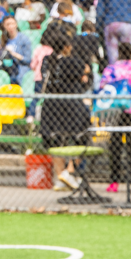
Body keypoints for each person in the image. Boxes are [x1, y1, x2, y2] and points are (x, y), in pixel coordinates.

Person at [39, 29, 91, 189]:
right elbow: (86, 70)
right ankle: (69, 170)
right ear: (66, 47)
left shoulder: (48, 61)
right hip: (70, 105)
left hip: (51, 106)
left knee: (57, 141)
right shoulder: (72, 62)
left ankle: (59, 176)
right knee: (81, 136)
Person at [96, 43, 131, 193]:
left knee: (115, 146)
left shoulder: (111, 70)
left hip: (115, 111)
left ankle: (114, 182)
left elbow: (103, 87)